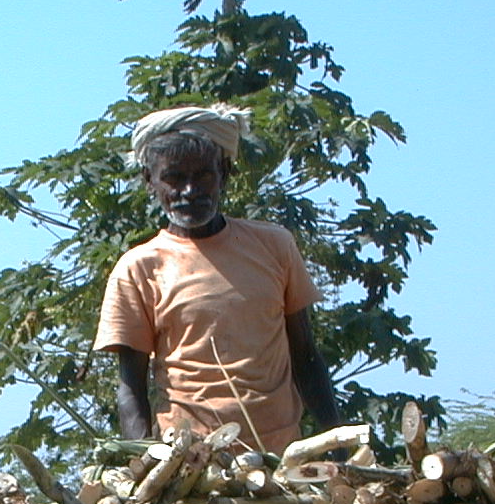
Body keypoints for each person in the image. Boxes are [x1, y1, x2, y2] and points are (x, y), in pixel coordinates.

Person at [93, 104, 341, 454]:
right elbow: (131, 385)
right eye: (174, 178)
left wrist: (339, 442)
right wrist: (144, 461)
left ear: (224, 172)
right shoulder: (139, 268)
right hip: (192, 463)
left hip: (279, 458)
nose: (190, 190)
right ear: (151, 181)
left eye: (203, 175)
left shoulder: (274, 246)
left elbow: (306, 356)